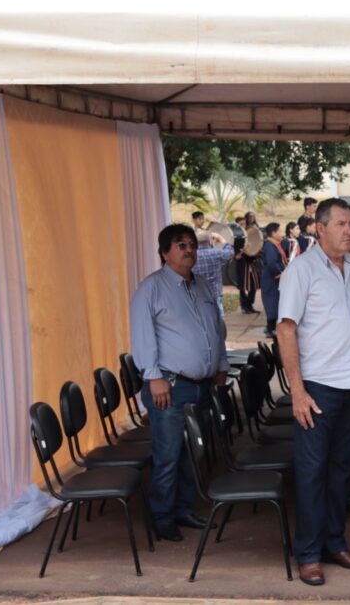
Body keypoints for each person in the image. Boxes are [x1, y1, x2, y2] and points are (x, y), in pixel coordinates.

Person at [276, 198, 350, 586]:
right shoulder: (301, 271)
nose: (349, 230)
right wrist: (297, 392)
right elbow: (286, 330)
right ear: (319, 229)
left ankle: (335, 542)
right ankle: (307, 553)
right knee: (312, 472)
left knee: (342, 471)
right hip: (318, 387)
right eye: (341, 224)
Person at [131, 224, 228, 542]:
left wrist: (221, 364)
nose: (189, 249)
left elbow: (216, 328)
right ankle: (162, 516)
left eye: (192, 244)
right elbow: (143, 338)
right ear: (164, 252)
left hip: (200, 385)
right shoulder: (151, 288)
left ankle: (184, 509)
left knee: (190, 451)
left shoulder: (201, 284)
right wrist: (154, 377)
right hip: (168, 387)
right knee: (168, 453)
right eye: (180, 244)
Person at [192, 230, 234, 320]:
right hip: (214, 295)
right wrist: (221, 239)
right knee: (218, 324)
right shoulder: (216, 253)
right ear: (210, 241)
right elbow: (230, 252)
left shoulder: (191, 256)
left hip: (196, 295)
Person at [260, 222, 288, 337]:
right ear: (273, 233)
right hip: (271, 279)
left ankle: (270, 327)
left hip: (272, 278)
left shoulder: (273, 244)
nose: (282, 234)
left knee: (274, 301)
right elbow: (272, 263)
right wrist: (279, 273)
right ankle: (271, 329)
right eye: (279, 231)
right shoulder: (270, 246)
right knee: (272, 302)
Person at [235, 211, 261, 314]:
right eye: (240, 224)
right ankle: (244, 306)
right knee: (242, 286)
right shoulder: (236, 237)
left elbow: (256, 244)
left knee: (253, 285)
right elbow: (233, 250)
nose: (243, 226)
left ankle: (250, 305)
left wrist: (256, 251)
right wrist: (237, 254)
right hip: (242, 264)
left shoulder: (250, 233)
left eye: (244, 224)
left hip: (251, 262)